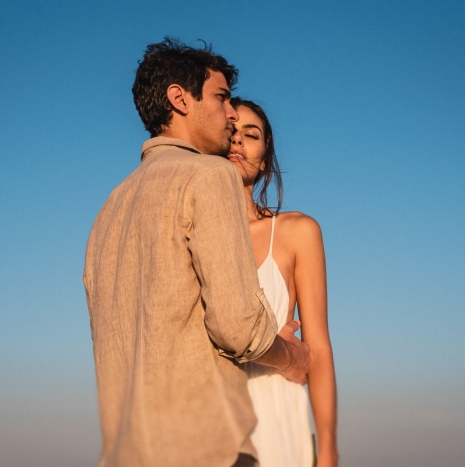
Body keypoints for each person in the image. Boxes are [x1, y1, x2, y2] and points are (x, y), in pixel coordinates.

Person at [83, 38, 311, 467]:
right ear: (179, 99)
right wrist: (290, 356)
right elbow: (237, 325)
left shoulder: (110, 207)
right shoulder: (208, 176)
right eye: (221, 97)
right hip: (205, 448)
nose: (230, 113)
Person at [227, 97, 338, 467]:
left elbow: (318, 348)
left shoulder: (296, 231)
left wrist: (327, 450)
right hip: (207, 420)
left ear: (265, 151)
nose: (238, 140)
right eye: (230, 130)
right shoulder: (187, 236)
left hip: (276, 413)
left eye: (251, 134)